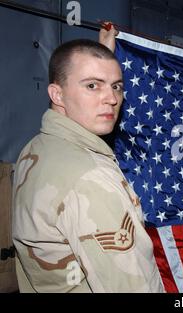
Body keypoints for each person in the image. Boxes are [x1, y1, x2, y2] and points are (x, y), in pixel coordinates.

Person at [12, 34, 164, 292]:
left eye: (116, 86)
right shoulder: (90, 178)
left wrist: (99, 63)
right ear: (57, 95)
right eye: (93, 86)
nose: (112, 99)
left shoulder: (37, 147)